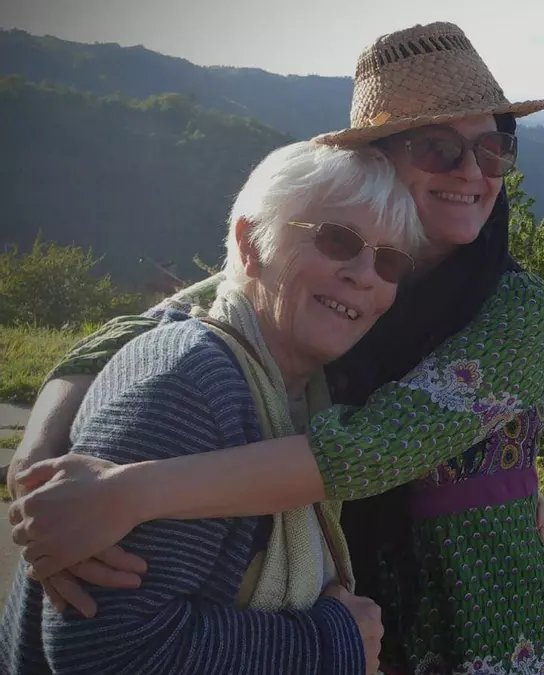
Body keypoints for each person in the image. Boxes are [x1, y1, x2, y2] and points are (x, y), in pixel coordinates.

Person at [6, 22, 544, 675]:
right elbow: (152, 324)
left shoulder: (517, 308)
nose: (472, 171)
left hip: (481, 610)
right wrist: (38, 464)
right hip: (356, 590)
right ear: (376, 159)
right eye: (440, 148)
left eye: (494, 149)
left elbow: (372, 447)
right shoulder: (342, 273)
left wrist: (125, 494)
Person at [1, 138, 419, 674]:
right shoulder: (193, 387)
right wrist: (330, 643)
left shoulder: (301, 391)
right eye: (338, 240)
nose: (365, 274)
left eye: (389, 261)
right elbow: (106, 654)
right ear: (250, 243)